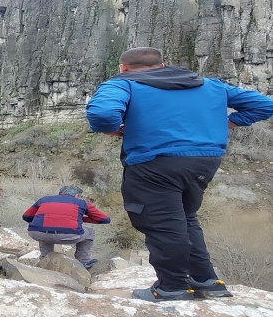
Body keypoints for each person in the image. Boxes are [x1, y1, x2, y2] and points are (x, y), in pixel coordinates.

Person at [86, 47, 273, 301]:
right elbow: (265, 105)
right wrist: (226, 122)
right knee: (186, 218)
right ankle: (206, 281)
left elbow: (102, 114)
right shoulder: (209, 85)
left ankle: (171, 288)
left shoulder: (124, 83)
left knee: (161, 223)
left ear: (123, 68)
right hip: (204, 162)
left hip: (154, 164)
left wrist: (112, 130)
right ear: (163, 65)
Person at [22, 185, 110, 269]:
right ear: (76, 195)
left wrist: (40, 221)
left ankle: (45, 259)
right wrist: (81, 219)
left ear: (60, 193)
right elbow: (105, 219)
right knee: (90, 232)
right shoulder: (81, 203)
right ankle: (84, 261)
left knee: (43, 231)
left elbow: (26, 216)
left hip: (37, 233)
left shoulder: (44, 199)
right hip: (69, 235)